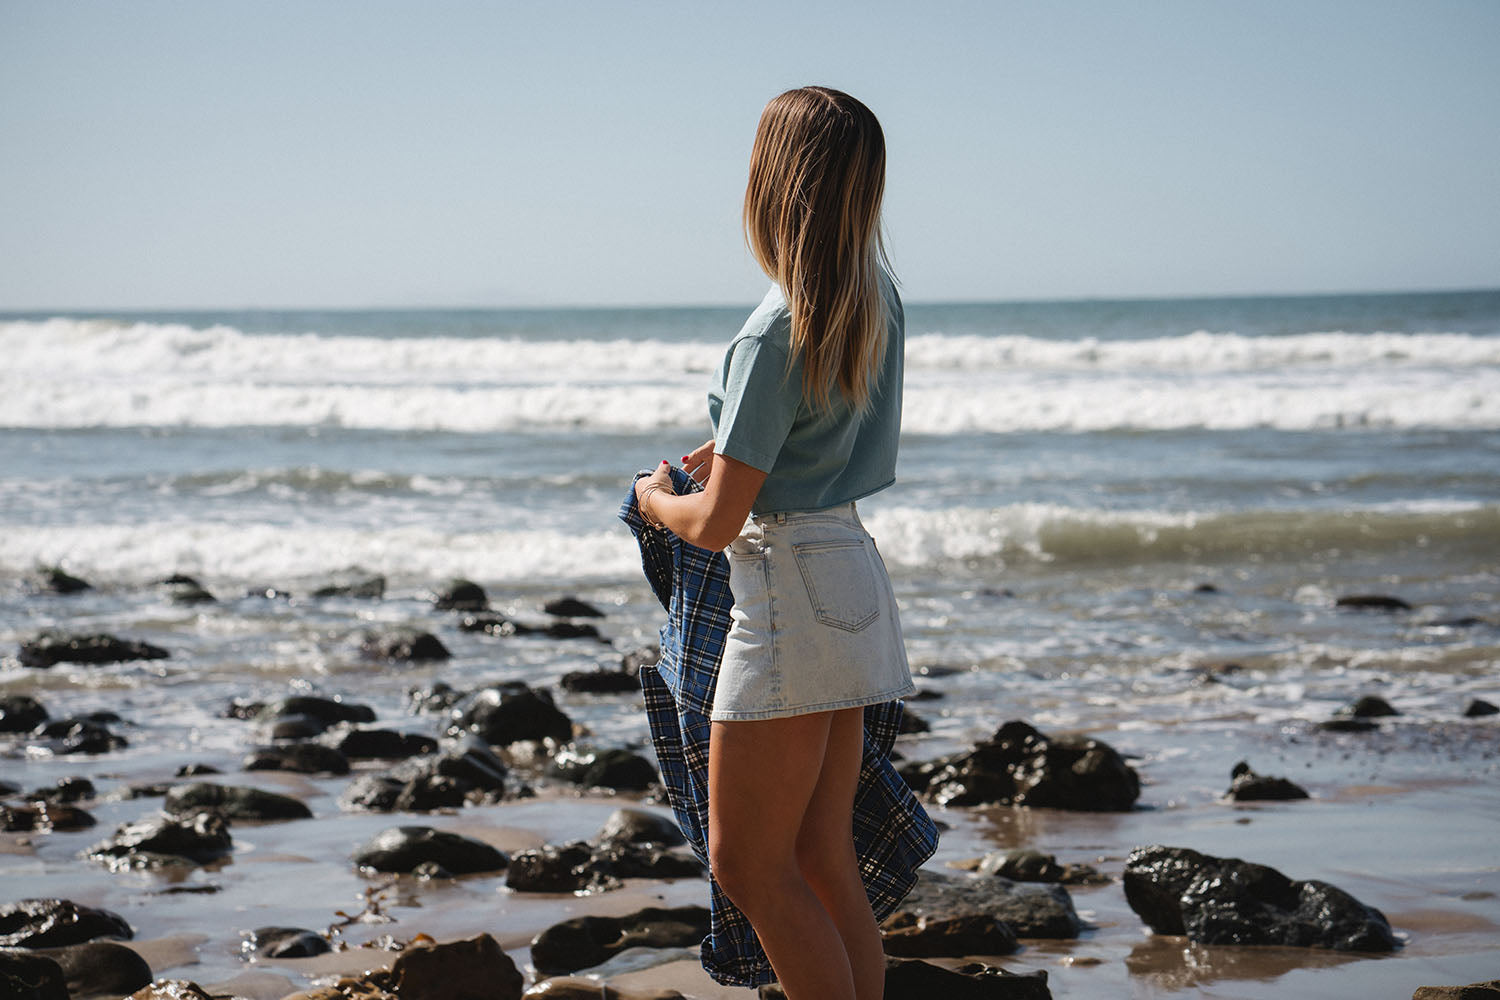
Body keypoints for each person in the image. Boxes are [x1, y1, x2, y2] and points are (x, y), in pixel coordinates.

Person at [632, 86, 915, 1000]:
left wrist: (653, 501)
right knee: (823, 854)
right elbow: (823, 430)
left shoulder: (774, 325)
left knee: (750, 865)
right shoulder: (874, 297)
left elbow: (715, 525)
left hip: (785, 591)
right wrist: (737, 450)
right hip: (853, 576)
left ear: (772, 183)